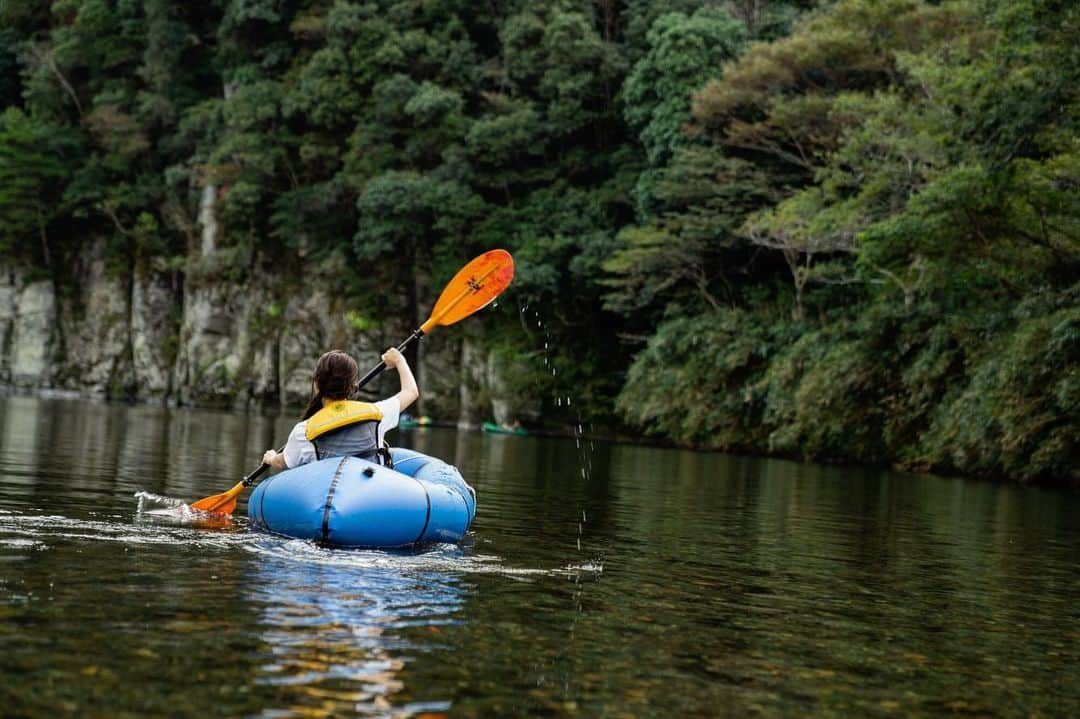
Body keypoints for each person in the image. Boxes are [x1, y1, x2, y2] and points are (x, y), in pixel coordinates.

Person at [261, 347, 418, 472]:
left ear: (316, 384)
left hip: (331, 497)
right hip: (373, 491)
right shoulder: (377, 413)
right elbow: (411, 392)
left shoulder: (303, 431)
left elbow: (283, 463)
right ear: (352, 387)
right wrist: (398, 359)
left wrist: (272, 458)